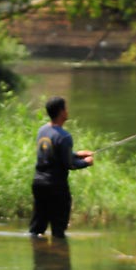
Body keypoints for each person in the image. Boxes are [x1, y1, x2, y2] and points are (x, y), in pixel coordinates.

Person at [30, 96, 94, 239]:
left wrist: (77, 154)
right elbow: (69, 165)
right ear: (61, 112)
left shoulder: (43, 130)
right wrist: (86, 162)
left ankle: (38, 254)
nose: (67, 111)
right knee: (58, 230)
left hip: (39, 183)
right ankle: (58, 256)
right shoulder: (65, 137)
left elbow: (53, 153)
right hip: (56, 187)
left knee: (37, 227)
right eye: (65, 108)